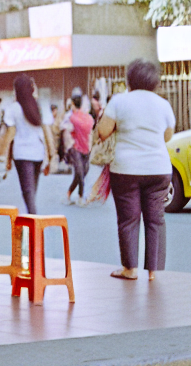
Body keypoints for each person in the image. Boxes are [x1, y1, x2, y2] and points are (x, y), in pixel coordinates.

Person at [97, 59, 175, 281]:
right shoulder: (163, 104)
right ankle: (152, 272)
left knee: (128, 219)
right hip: (159, 169)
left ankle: (129, 269)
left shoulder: (119, 101)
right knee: (156, 219)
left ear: (129, 79)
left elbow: (103, 131)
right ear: (155, 81)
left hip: (126, 169)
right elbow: (167, 136)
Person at [1, 74, 52, 214]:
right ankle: (32, 224)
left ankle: (33, 225)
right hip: (38, 155)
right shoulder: (40, 106)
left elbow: (11, 136)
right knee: (31, 193)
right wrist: (51, 157)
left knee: (28, 194)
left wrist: (6, 156)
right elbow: (46, 134)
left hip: (21, 155)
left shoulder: (13, 108)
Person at [62, 89, 95, 205]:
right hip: (77, 148)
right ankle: (81, 197)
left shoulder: (72, 118)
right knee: (81, 172)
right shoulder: (86, 118)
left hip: (84, 148)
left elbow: (65, 131)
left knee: (80, 173)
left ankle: (69, 193)